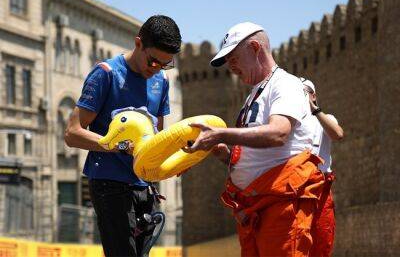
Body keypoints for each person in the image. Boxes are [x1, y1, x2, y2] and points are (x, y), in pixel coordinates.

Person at [184, 22, 325, 257]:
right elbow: (256, 156)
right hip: (255, 211)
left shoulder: (285, 85)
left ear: (255, 48)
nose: (230, 66)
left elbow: (278, 133)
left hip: (282, 207)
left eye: (233, 57)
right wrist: (225, 154)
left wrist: (220, 133)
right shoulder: (254, 95)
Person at [64, 15, 182, 257]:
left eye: (165, 64)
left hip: (145, 184)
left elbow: (157, 136)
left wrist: (177, 157)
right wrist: (118, 146)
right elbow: (72, 133)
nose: (156, 69)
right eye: (153, 61)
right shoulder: (106, 74)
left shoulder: (162, 81)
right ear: (138, 43)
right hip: (109, 183)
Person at [302, 78, 344, 257]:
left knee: (321, 242)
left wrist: (314, 109)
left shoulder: (325, 119)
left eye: (305, 93)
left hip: (321, 189)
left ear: (313, 95)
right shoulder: (289, 123)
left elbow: (338, 134)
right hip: (298, 189)